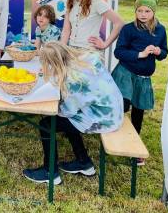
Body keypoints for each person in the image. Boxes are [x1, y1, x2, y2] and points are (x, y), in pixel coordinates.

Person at [23, 42, 123, 185]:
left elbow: (68, 111)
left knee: (46, 123)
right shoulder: (86, 59)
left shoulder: (73, 80)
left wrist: (48, 105)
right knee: (69, 122)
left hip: (103, 119)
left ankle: (50, 172)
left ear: (53, 63)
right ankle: (84, 162)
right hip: (113, 110)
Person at [111, 0, 168, 166]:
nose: (143, 14)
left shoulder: (160, 30)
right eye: (139, 10)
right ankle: (113, 137)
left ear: (153, 12)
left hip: (143, 78)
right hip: (125, 73)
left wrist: (159, 52)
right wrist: (140, 54)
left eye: (147, 11)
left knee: (138, 110)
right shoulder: (129, 29)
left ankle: (134, 147)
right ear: (135, 11)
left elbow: (164, 53)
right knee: (123, 105)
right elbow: (118, 52)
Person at [60, 0, 124, 54]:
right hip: (71, 50)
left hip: (89, 51)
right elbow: (66, 30)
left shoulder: (97, 2)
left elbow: (119, 23)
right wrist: (60, 51)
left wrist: (105, 44)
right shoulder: (71, 3)